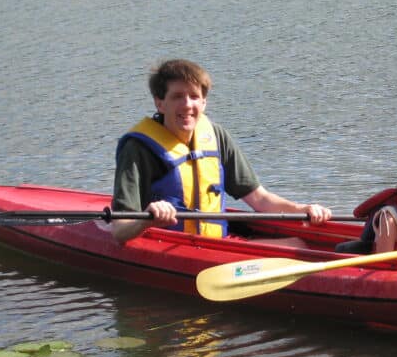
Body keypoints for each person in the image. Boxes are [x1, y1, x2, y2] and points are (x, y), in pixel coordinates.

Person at [111, 59, 332, 244]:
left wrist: (303, 208)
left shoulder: (215, 137)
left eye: (194, 96)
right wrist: (147, 219)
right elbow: (119, 231)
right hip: (163, 244)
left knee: (297, 244)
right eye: (178, 96)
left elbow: (260, 199)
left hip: (215, 243)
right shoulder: (138, 149)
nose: (187, 105)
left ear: (204, 102)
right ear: (160, 103)